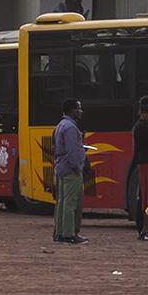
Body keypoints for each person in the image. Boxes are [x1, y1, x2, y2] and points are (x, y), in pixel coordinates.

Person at [52, 98, 89, 245]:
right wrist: (77, 167)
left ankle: (60, 232)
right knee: (71, 203)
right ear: (72, 110)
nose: (80, 111)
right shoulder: (71, 128)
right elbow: (72, 151)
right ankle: (69, 234)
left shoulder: (62, 125)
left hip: (61, 168)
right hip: (70, 169)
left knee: (61, 202)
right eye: (78, 108)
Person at [128, 96, 148, 240]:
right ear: (144, 113)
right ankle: (146, 229)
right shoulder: (141, 127)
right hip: (146, 164)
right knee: (147, 197)